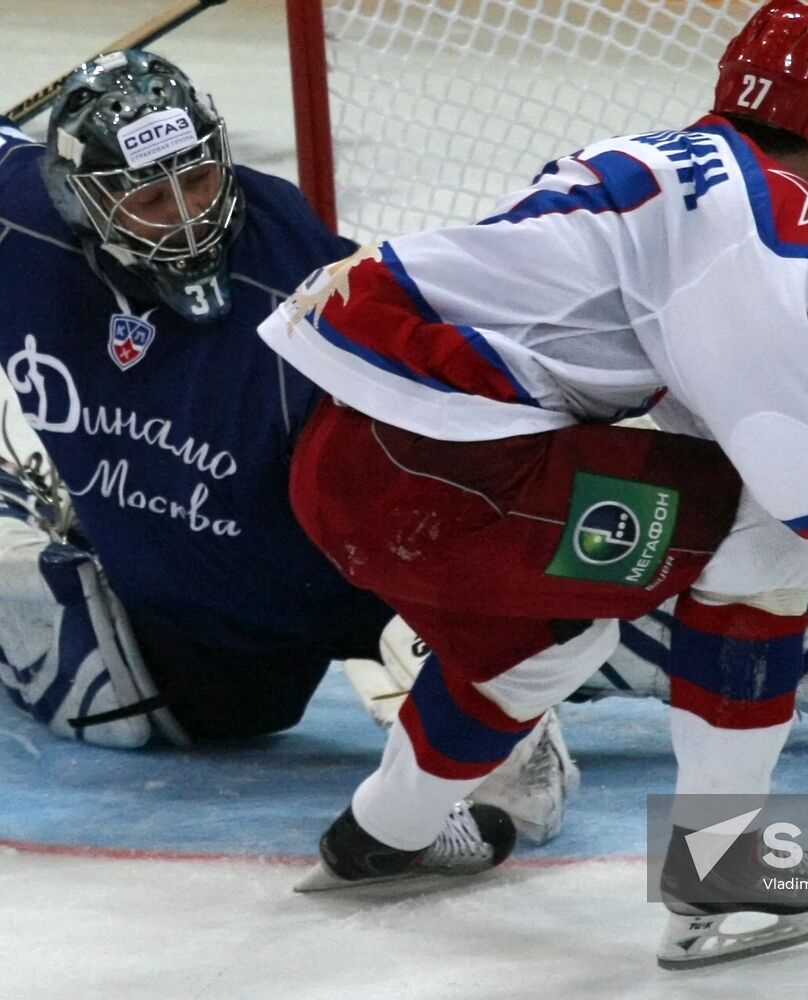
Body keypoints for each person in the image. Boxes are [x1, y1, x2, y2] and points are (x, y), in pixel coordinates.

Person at [260, 0, 808, 967]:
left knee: (536, 650)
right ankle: (720, 870)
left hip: (349, 467)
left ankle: (380, 835)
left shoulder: (666, 167)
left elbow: (719, 386)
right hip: (459, 479)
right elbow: (799, 461)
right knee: (765, 524)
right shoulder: (771, 213)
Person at [0, 49, 516, 876]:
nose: (185, 216)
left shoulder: (305, 285)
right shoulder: (22, 219)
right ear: (79, 202)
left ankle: (740, 854)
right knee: (103, 689)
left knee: (603, 618)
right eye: (147, 196)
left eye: (198, 180)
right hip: (197, 658)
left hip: (383, 582)